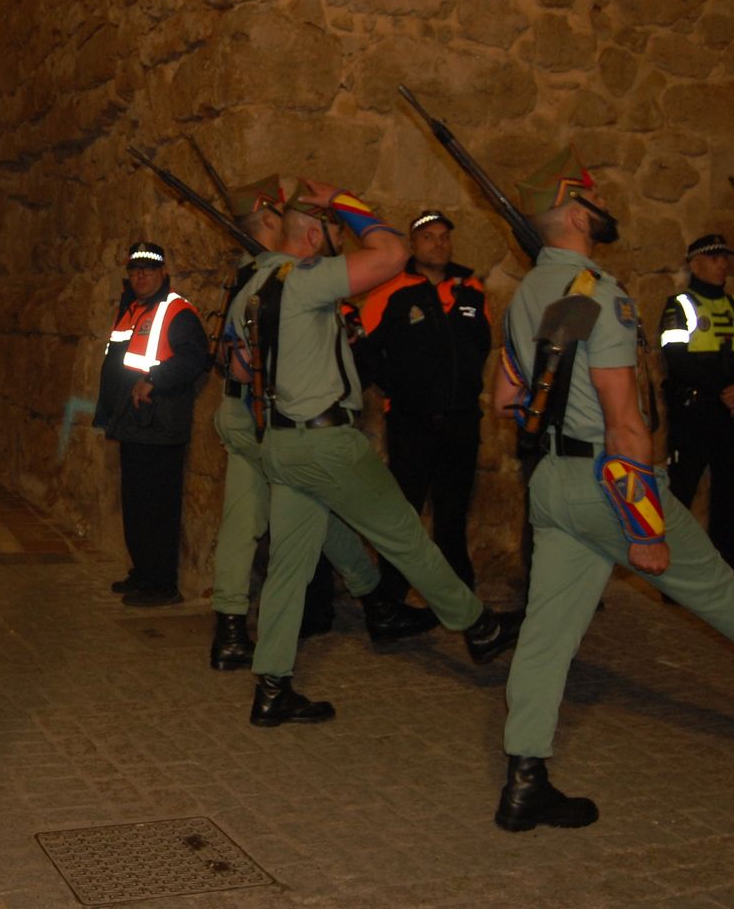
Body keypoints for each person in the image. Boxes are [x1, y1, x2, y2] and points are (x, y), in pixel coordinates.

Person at [491, 148, 734, 832]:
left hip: (550, 482)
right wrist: (643, 527)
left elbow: (505, 397)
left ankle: (525, 777)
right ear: (579, 214)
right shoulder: (596, 292)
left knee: (545, 637)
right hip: (609, 480)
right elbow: (625, 420)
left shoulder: (529, 292)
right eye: (594, 198)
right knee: (714, 585)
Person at [235, 181, 522, 726]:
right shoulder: (305, 279)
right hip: (325, 442)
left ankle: (272, 687)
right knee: (405, 534)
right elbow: (391, 253)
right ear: (316, 234)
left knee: (289, 569)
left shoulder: (250, 282)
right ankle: (480, 628)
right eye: (331, 232)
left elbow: (241, 368)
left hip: (280, 441)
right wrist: (344, 200)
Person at [209, 179, 437, 673]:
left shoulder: (262, 273)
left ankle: (368, 603)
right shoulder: (269, 275)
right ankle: (235, 628)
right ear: (272, 219)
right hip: (256, 416)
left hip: (259, 414)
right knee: (255, 515)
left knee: (307, 511)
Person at [358, 209, 491, 598]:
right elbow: (366, 352)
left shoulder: (471, 289)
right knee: (405, 515)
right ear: (413, 245)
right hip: (411, 424)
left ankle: (460, 599)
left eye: (444, 236)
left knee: (452, 517)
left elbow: (480, 345)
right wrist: (398, 386)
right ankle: (393, 599)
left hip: (462, 422)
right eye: (428, 236)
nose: (438, 243)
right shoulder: (388, 292)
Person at [93, 241, 209, 606]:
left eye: (149, 269)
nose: (141, 275)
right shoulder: (132, 310)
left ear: (162, 273)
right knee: (137, 505)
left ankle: (161, 584)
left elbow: (195, 359)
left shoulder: (177, 312)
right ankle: (143, 573)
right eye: (134, 269)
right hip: (134, 425)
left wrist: (154, 379)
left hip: (159, 426)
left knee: (157, 508)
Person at [656, 234, 734, 579]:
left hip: (731, 415)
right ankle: (674, 575)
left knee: (728, 495)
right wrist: (723, 390)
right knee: (681, 493)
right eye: (714, 258)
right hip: (694, 414)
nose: (722, 264)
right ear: (694, 263)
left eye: (724, 258)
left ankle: (725, 570)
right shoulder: (679, 306)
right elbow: (676, 360)